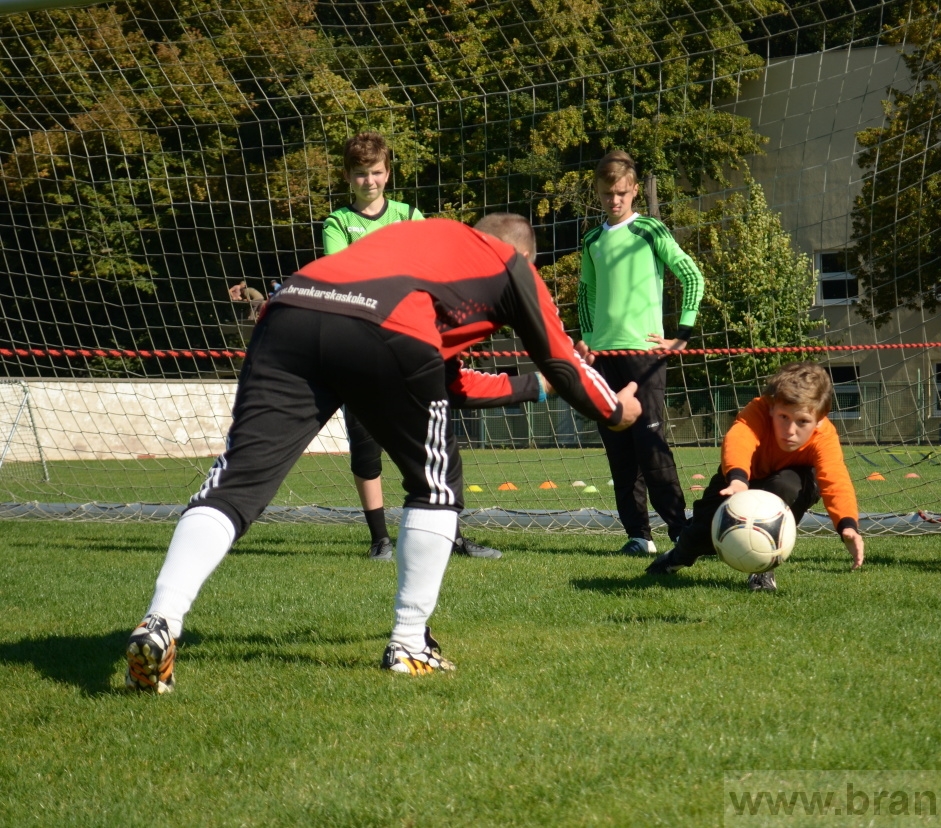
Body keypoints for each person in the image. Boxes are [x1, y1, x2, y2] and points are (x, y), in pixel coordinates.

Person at [123, 214, 641, 692]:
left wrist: (535, 389)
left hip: (290, 310)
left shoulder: (424, 243)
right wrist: (615, 411)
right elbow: (564, 360)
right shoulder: (511, 265)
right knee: (435, 484)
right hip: (385, 326)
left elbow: (449, 381)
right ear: (524, 258)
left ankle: (161, 620)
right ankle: (410, 644)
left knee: (236, 482)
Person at [322, 131, 501, 561]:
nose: (370, 181)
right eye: (361, 173)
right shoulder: (337, 224)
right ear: (348, 176)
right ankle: (379, 539)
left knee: (433, 442)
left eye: (377, 172)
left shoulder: (408, 214)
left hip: (411, 345)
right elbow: (343, 277)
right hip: (360, 350)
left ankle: (451, 535)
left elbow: (429, 267)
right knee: (366, 448)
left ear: (388, 173)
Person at [575, 150, 704, 556]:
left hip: (645, 356)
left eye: (622, 193)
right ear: (598, 194)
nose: (614, 200)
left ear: (633, 192)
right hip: (604, 359)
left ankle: (680, 528)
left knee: (650, 443)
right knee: (618, 447)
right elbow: (586, 293)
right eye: (607, 194)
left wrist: (682, 333)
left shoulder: (650, 230)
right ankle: (637, 535)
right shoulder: (592, 240)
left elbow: (691, 275)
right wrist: (588, 338)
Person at [646, 362, 863, 591]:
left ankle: (761, 570)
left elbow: (835, 479)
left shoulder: (824, 436)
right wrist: (738, 479)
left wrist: (847, 525)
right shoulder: (758, 409)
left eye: (802, 422)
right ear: (771, 407)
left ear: (820, 419)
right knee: (701, 534)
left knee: (786, 486)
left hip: (788, 483)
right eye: (783, 417)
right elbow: (739, 439)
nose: (790, 430)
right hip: (739, 479)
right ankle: (676, 557)